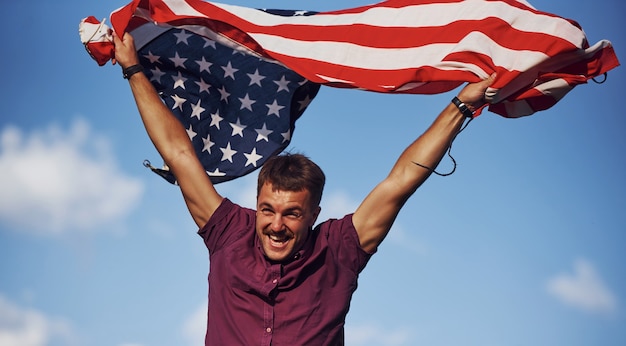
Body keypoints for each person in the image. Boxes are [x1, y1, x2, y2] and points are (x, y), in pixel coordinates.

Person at [112, 31, 495, 345]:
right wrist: (132, 68)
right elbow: (179, 153)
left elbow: (400, 182)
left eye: (292, 213)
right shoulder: (228, 232)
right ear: (257, 204)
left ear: (314, 214)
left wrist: (460, 105)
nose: (276, 225)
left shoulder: (339, 249)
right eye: (268, 210)